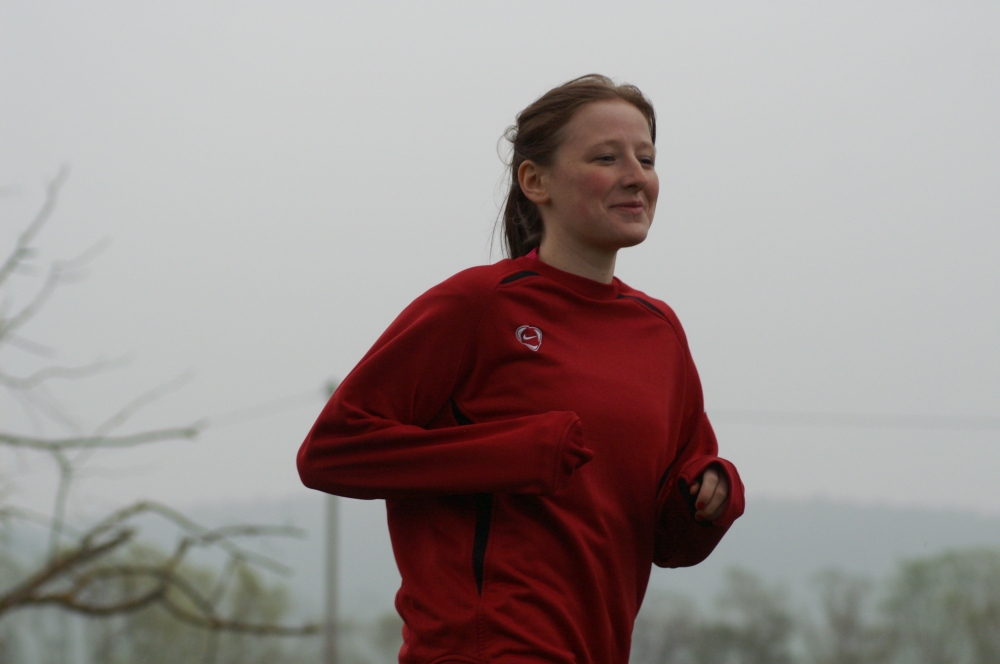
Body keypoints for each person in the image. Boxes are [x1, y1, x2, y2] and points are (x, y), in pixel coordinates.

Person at [297, 74, 745, 664]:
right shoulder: (479, 306)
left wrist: (711, 496)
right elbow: (331, 452)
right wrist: (514, 454)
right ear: (536, 181)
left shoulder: (659, 333)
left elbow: (670, 540)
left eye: (646, 158)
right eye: (606, 158)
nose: (636, 175)